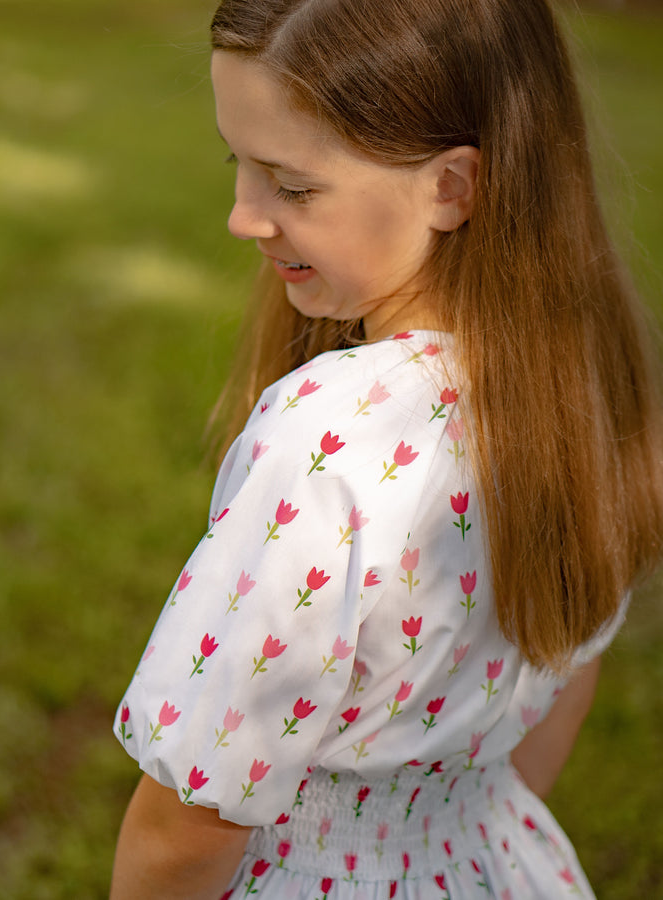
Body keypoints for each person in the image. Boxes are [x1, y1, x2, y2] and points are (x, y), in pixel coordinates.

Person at [109, 1, 663, 897]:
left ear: (452, 185)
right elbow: (569, 680)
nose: (244, 218)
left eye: (290, 186)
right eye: (237, 164)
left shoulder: (325, 435)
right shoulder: (587, 398)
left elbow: (188, 822)